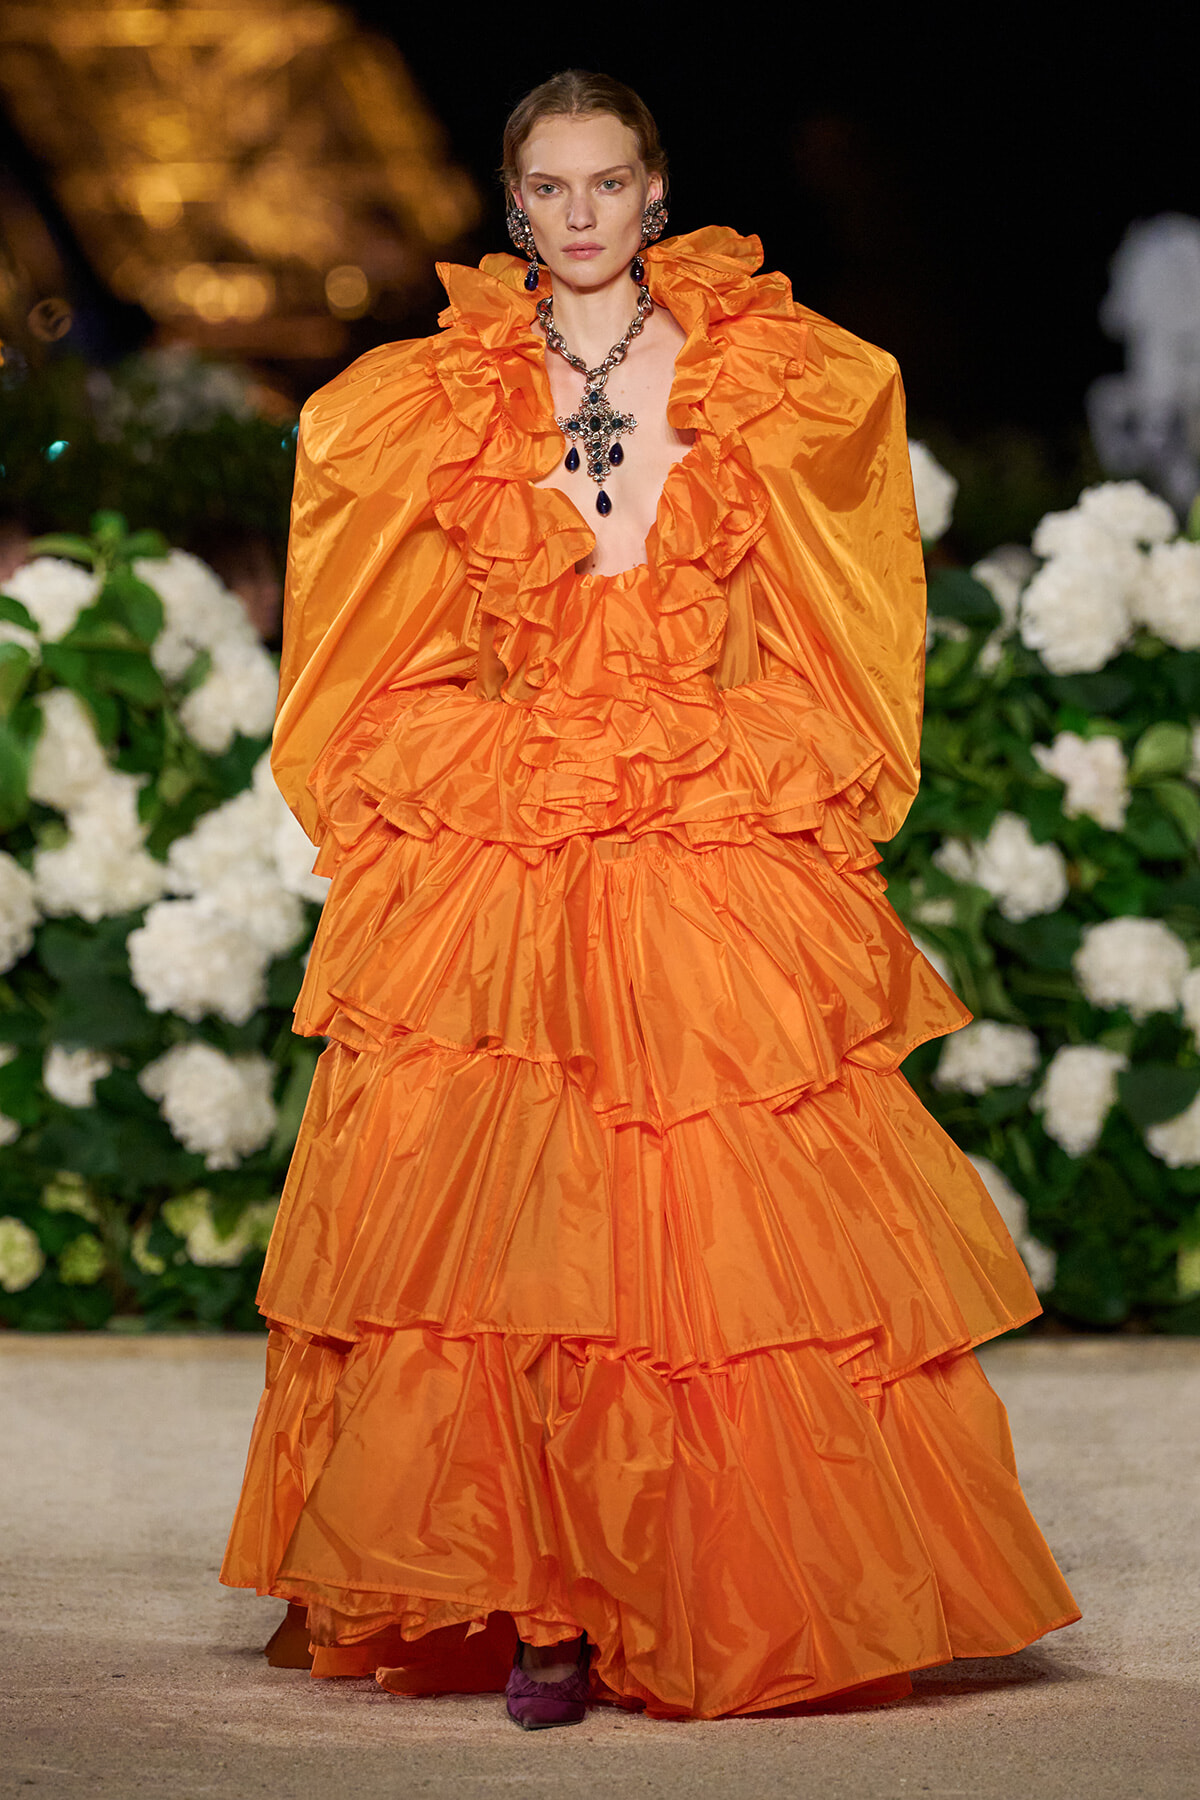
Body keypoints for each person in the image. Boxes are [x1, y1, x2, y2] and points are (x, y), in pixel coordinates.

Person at [220, 70, 1081, 1729]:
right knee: (513, 1211)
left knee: (717, 1214)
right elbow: (375, 603)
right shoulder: (429, 397)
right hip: (519, 807)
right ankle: (541, 1600)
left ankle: (716, 1582)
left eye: (611, 183)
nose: (583, 214)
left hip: (697, 793)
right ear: (515, 207)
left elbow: (841, 534)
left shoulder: (769, 369)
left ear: (657, 194)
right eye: (551, 189)